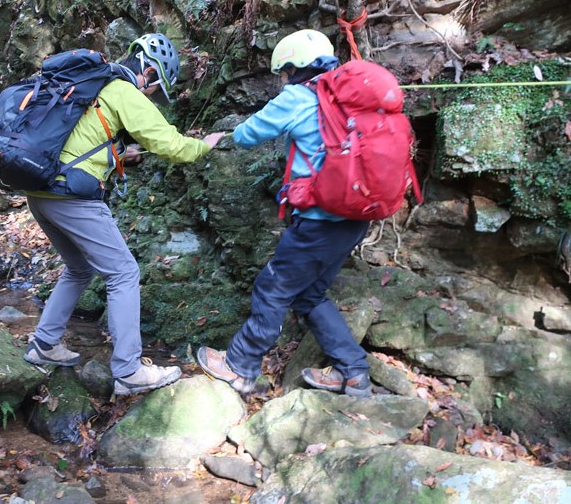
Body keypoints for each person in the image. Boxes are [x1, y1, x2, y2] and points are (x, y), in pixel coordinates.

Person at [23, 33, 226, 395]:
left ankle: (43, 344)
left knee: (80, 268)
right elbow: (171, 144)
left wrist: (119, 155)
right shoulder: (123, 90)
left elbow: (78, 142)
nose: (152, 97)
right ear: (148, 70)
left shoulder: (94, 86)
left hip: (39, 191)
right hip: (71, 198)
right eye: (156, 89)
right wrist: (204, 145)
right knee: (124, 273)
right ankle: (129, 371)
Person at [196, 29, 372, 397]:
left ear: (294, 68)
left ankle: (239, 366)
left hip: (320, 220)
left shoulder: (297, 97)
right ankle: (354, 372)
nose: (283, 79)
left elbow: (247, 134)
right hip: (356, 216)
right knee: (308, 296)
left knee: (272, 288)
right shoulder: (349, 96)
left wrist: (217, 139)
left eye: (284, 72)